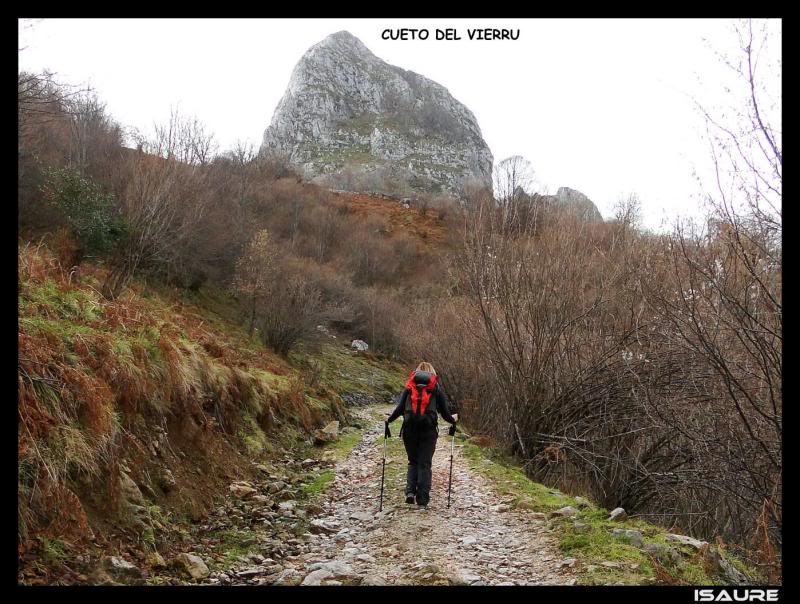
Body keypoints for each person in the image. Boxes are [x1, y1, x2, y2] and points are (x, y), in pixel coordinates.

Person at [385, 362, 458, 508]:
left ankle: (410, 493)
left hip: (409, 430)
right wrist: (453, 420)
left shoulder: (409, 387)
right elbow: (444, 413)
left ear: (416, 373)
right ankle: (423, 501)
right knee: (425, 464)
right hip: (428, 432)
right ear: (432, 373)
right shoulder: (435, 388)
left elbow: (400, 409)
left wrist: (388, 420)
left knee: (413, 461)